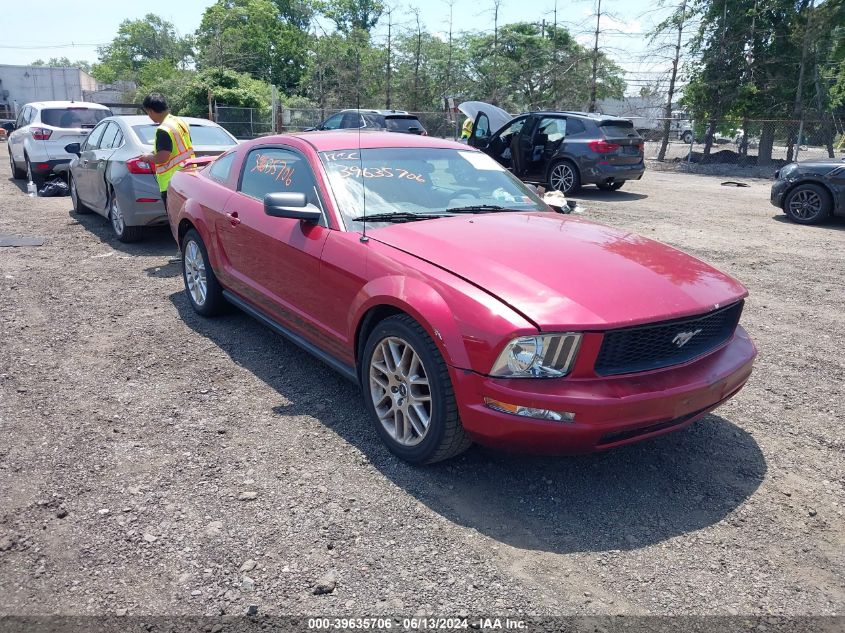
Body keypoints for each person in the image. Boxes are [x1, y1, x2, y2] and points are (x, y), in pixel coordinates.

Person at [141, 93, 194, 211]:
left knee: (175, 220)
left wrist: (148, 157)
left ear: (150, 111)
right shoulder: (179, 122)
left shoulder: (163, 130)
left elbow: (163, 158)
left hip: (172, 182)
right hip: (188, 175)